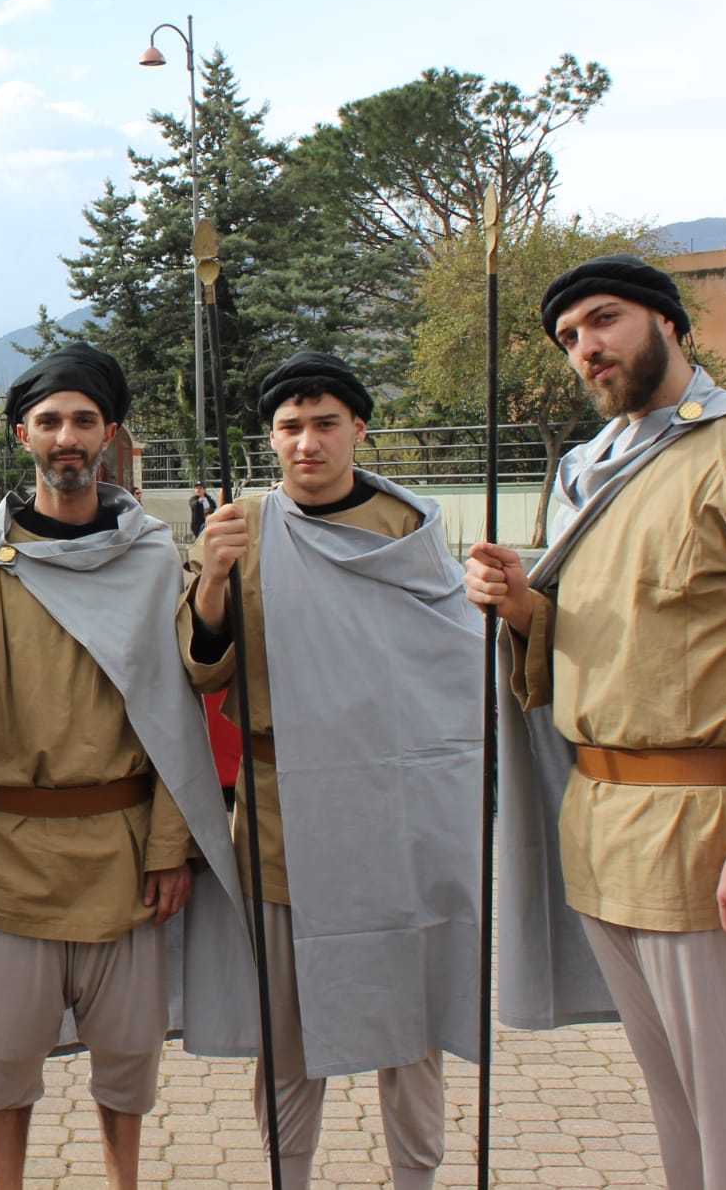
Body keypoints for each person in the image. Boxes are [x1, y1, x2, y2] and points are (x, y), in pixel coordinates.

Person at [465, 254, 726, 1190]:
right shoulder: (587, 470)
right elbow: (609, 645)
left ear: (669, 323)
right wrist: (525, 609)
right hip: (603, 832)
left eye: (604, 319)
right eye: (569, 337)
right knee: (679, 1120)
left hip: (710, 832)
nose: (586, 347)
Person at [0, 341, 243, 1190]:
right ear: (22, 434)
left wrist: (171, 844)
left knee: (127, 1059)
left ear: (110, 433)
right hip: (13, 852)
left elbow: (177, 709)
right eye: (49, 420)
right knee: (5, 1059)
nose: (67, 437)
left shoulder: (152, 558)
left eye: (84, 420)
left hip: (125, 850)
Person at [182, 352, 481, 1190]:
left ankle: (416, 1177)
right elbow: (203, 666)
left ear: (359, 428)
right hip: (280, 810)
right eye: (290, 427)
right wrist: (213, 576)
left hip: (394, 809)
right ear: (271, 438)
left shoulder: (407, 529)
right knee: (286, 1027)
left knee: (409, 1016)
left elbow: (452, 659)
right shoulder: (241, 526)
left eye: (324, 424)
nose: (307, 442)